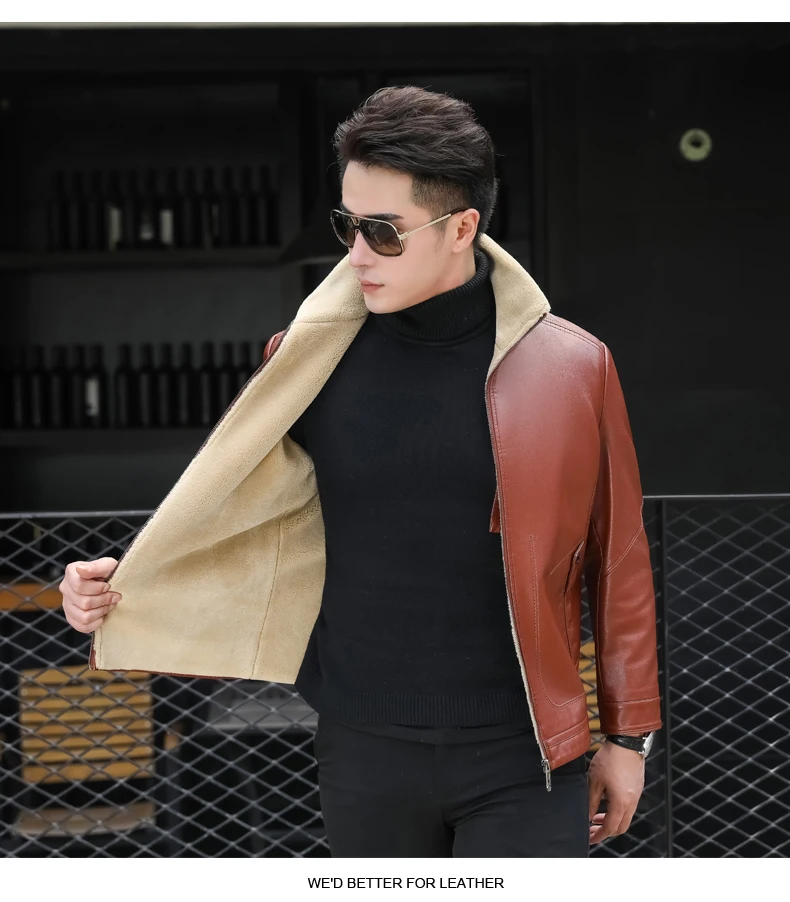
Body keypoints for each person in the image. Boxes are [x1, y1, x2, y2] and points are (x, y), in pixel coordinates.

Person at [59, 85, 663, 857]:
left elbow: (619, 561)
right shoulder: (305, 361)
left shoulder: (573, 368)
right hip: (363, 751)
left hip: (529, 756)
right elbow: (244, 522)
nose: (357, 253)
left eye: (383, 231)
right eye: (348, 224)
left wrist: (628, 737)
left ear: (462, 228)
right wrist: (122, 586)